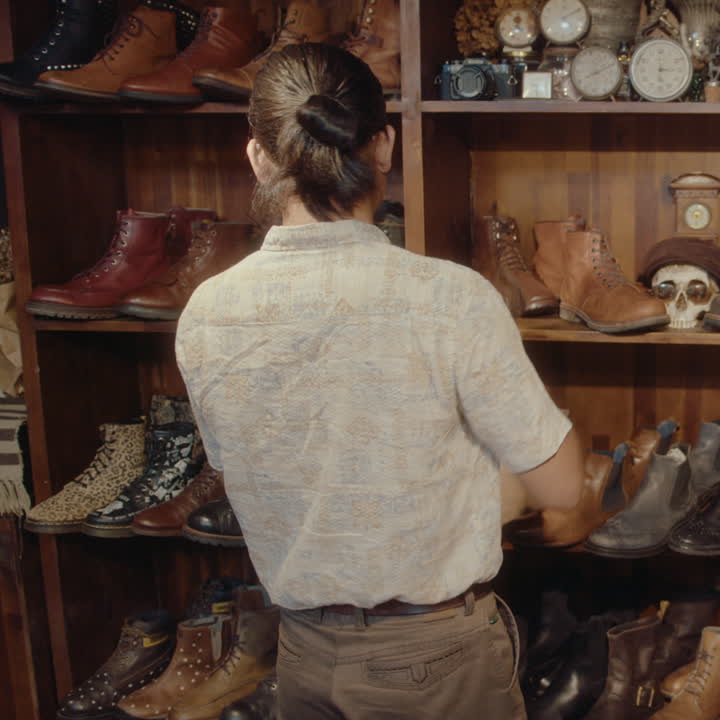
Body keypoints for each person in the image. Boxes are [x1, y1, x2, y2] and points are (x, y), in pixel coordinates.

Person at [175, 43, 584, 720]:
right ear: (386, 145)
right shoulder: (448, 298)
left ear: (257, 156)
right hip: (436, 663)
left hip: (301, 657)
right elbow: (563, 487)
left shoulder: (207, 313)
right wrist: (493, 484)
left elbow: (278, 474)